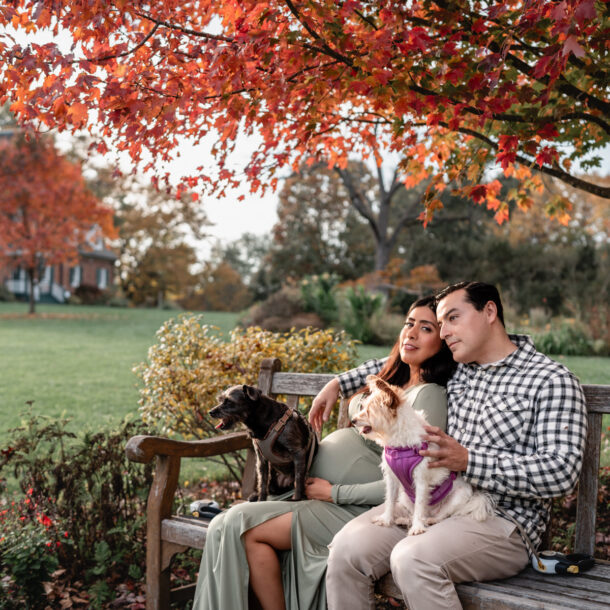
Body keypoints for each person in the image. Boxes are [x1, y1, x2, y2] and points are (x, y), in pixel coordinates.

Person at [313, 281, 588, 610]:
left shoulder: (550, 380)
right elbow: (401, 360)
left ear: (489, 311)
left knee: (413, 558)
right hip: (426, 503)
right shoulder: (457, 369)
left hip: (498, 520)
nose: (443, 332)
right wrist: (339, 383)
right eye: (441, 324)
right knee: (346, 550)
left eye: (452, 319)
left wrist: (469, 461)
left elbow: (561, 472)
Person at [192, 296, 456, 610]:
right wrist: (334, 384)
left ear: (443, 341)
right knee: (229, 523)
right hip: (314, 495)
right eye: (408, 323)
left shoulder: (430, 394)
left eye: (425, 328)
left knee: (239, 526)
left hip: (353, 508)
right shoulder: (390, 379)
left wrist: (336, 492)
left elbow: (417, 478)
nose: (410, 333)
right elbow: (375, 370)